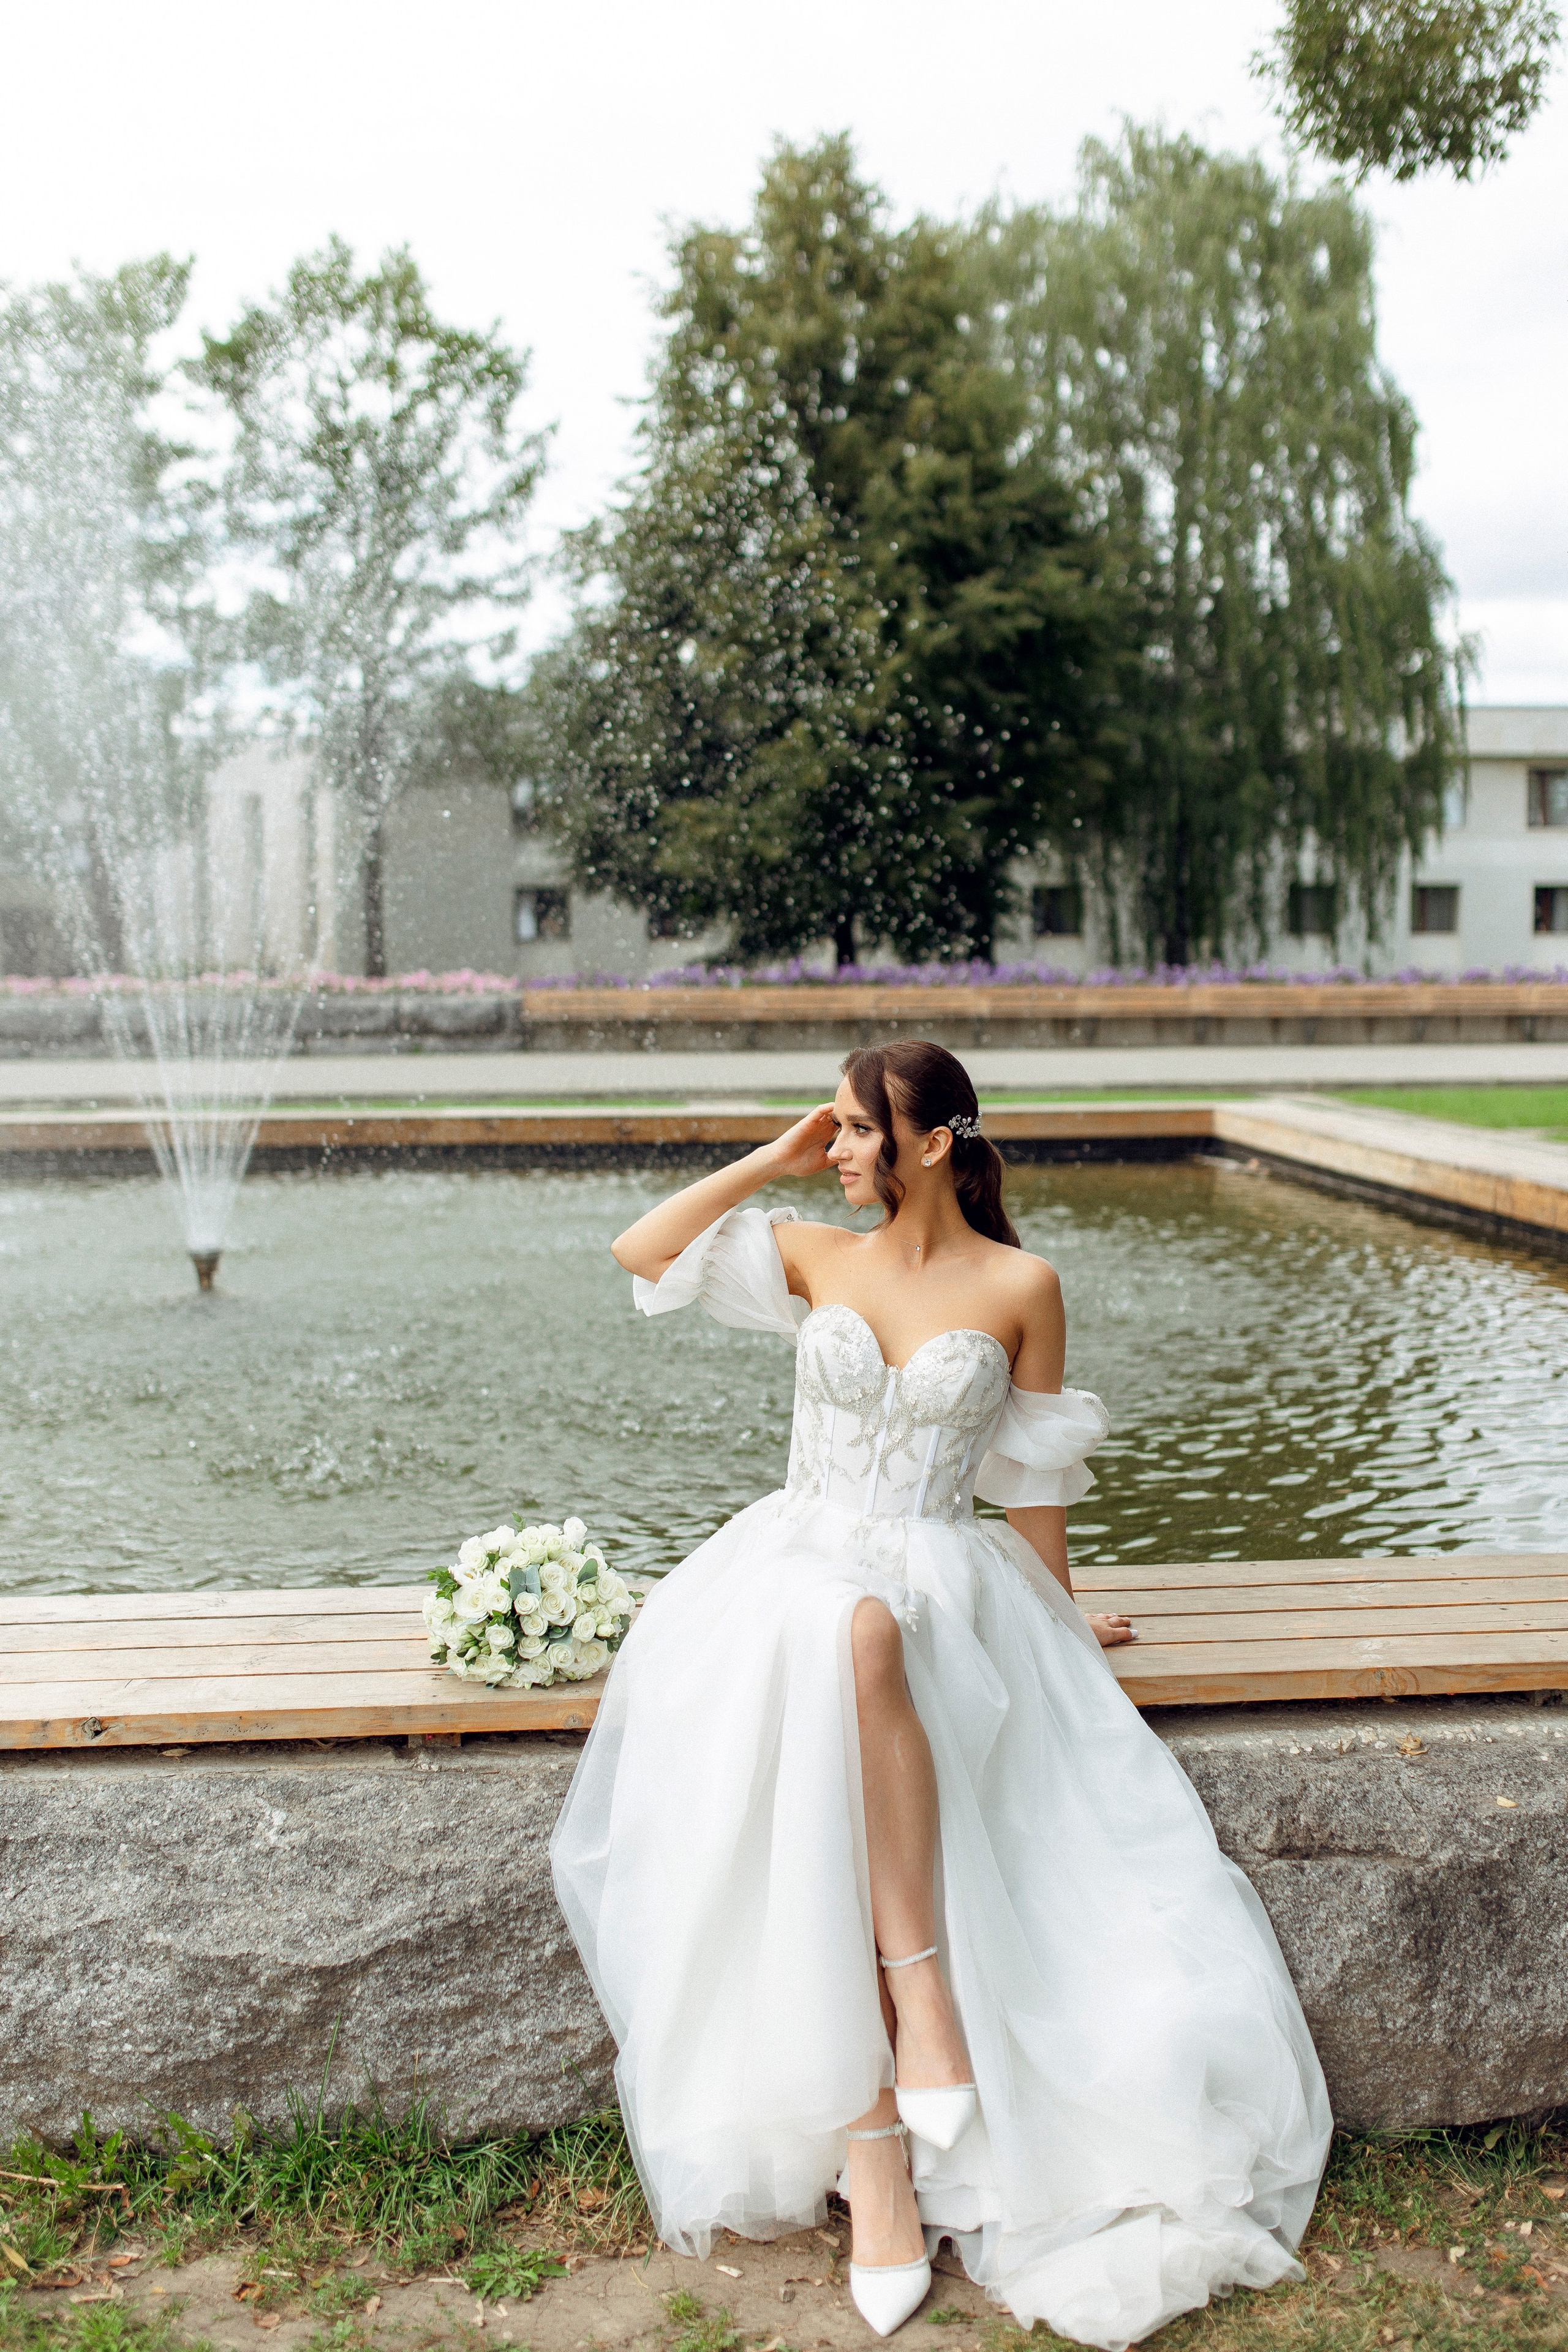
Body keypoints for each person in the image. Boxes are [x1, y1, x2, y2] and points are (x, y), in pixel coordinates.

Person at [551, 1041, 1330, 2351]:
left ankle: (887, 2110)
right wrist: (775, 1156)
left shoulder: (1023, 1286)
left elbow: (1036, 1484)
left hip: (943, 1575)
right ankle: (901, 2056)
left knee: (869, 1638)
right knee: (848, 1629)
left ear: (933, 1142)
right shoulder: (815, 1252)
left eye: (858, 1129)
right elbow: (643, 1249)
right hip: (788, 1562)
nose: (839, 1149)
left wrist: (1060, 1615)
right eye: (834, 1129)